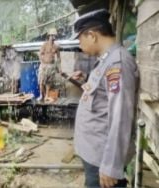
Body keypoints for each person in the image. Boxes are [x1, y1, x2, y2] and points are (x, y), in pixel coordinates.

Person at [70, 9, 139, 188]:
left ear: (92, 35)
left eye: (79, 38)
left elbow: (121, 116)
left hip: (103, 161)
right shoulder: (106, 61)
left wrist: (111, 165)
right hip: (94, 154)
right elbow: (103, 97)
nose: (79, 44)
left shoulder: (117, 63)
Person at [37, 28, 61, 102]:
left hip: (51, 66)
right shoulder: (45, 44)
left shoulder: (56, 46)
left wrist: (59, 67)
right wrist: (42, 62)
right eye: (52, 36)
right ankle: (41, 95)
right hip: (44, 66)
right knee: (41, 82)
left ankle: (46, 96)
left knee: (48, 83)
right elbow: (40, 54)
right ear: (49, 36)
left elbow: (59, 58)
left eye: (54, 36)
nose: (53, 37)